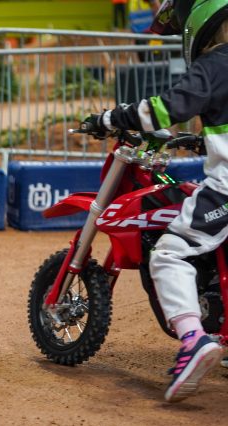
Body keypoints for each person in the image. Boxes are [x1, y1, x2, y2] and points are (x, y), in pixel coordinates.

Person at [84, 0, 228, 402]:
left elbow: (167, 108)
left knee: (170, 253)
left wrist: (112, 119)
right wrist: (205, 138)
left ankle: (193, 340)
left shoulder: (215, 64)